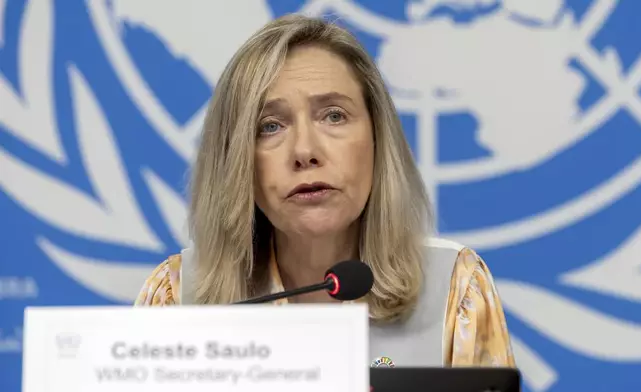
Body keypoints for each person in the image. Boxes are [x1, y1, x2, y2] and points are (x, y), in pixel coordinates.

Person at [135, 14, 515, 368]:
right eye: (270, 126)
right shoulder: (177, 298)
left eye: (334, 115)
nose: (305, 152)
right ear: (237, 161)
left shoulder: (453, 287)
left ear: (377, 139)